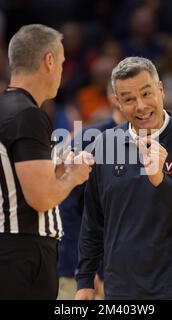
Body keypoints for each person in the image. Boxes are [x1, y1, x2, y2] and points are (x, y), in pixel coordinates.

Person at [0, 24, 94, 300]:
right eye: (61, 63)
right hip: (24, 258)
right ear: (49, 61)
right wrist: (74, 174)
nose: (62, 71)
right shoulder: (28, 116)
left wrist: (54, 171)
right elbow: (42, 198)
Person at [75, 57, 172, 300]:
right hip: (122, 292)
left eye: (146, 93)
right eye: (129, 99)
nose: (140, 106)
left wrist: (161, 181)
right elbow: (93, 220)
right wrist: (85, 280)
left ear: (161, 90)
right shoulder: (106, 144)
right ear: (117, 103)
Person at [57, 83, 125, 300]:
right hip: (84, 271)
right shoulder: (89, 139)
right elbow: (67, 208)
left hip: (133, 272)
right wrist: (85, 266)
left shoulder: (154, 142)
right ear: (114, 99)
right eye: (129, 95)